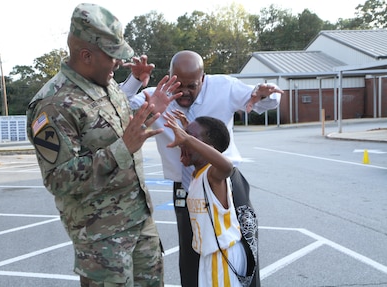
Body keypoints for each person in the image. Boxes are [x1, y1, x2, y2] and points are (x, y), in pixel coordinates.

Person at [26, 3, 181, 286]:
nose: (119, 63)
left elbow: (122, 135)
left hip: (139, 220)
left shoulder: (107, 85)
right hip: (102, 240)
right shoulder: (53, 105)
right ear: (86, 55)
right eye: (113, 56)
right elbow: (58, 179)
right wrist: (123, 148)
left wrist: (149, 114)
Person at [127, 50, 283, 286]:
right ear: (169, 76)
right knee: (192, 251)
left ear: (203, 78)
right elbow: (114, 111)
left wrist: (263, 93)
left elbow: (266, 101)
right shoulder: (154, 97)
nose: (185, 92)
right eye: (179, 85)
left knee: (244, 247)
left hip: (226, 180)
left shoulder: (224, 87)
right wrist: (135, 83)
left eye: (192, 85)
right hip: (186, 187)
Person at [164, 113, 245, 286]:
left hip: (222, 254)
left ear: (207, 147)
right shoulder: (197, 173)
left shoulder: (213, 174)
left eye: (189, 138)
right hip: (210, 255)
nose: (182, 141)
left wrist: (188, 139)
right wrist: (188, 132)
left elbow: (227, 166)